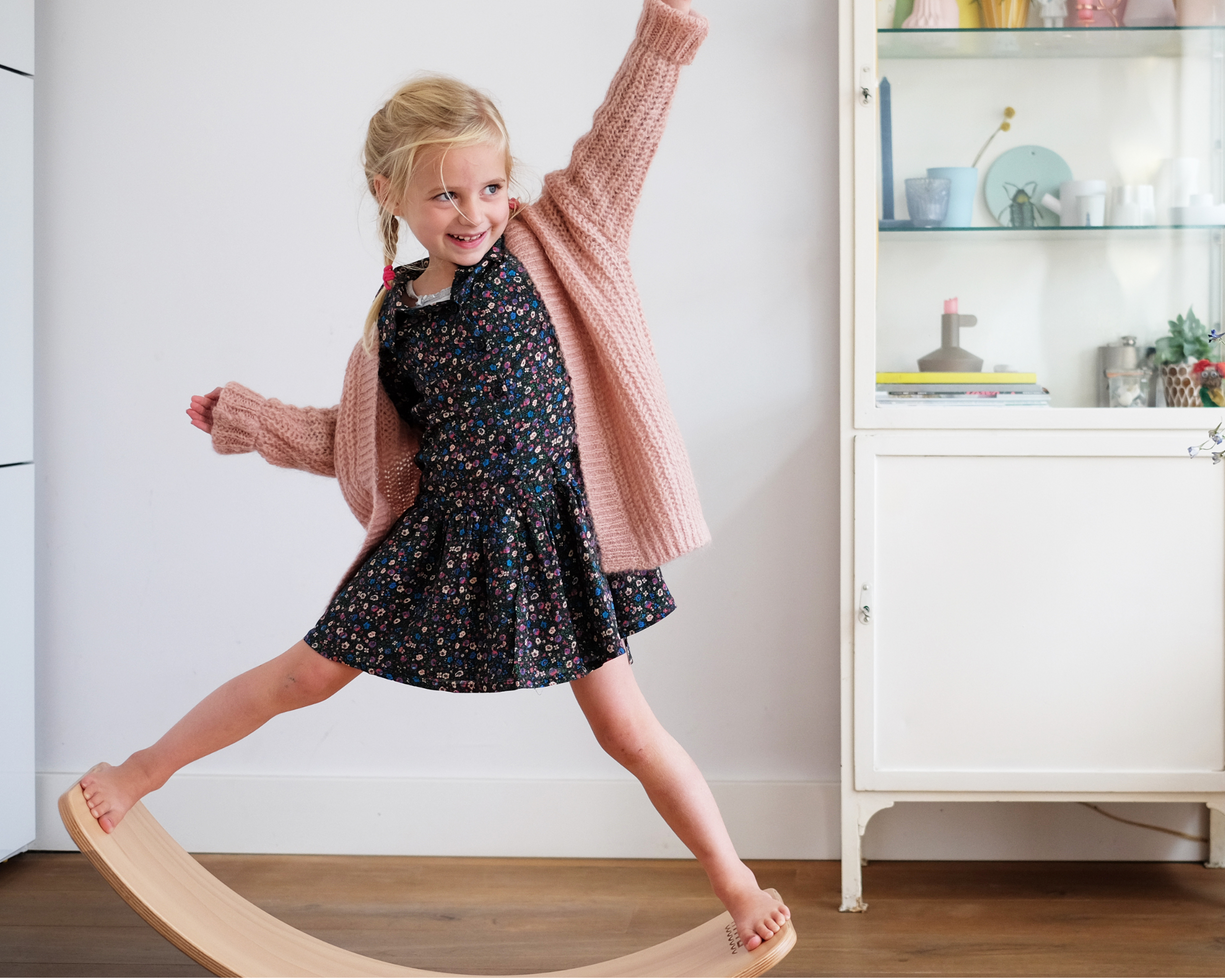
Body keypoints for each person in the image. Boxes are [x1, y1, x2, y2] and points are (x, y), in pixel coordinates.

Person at [76, 0, 790, 950]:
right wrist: (255, 422)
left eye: (490, 187)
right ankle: (140, 773)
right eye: (446, 195)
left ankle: (736, 884)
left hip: (554, 535)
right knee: (304, 676)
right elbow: (365, 444)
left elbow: (622, 135)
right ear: (392, 195)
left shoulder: (562, 238)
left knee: (627, 731)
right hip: (440, 539)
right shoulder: (398, 321)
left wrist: (662, 37)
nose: (474, 212)